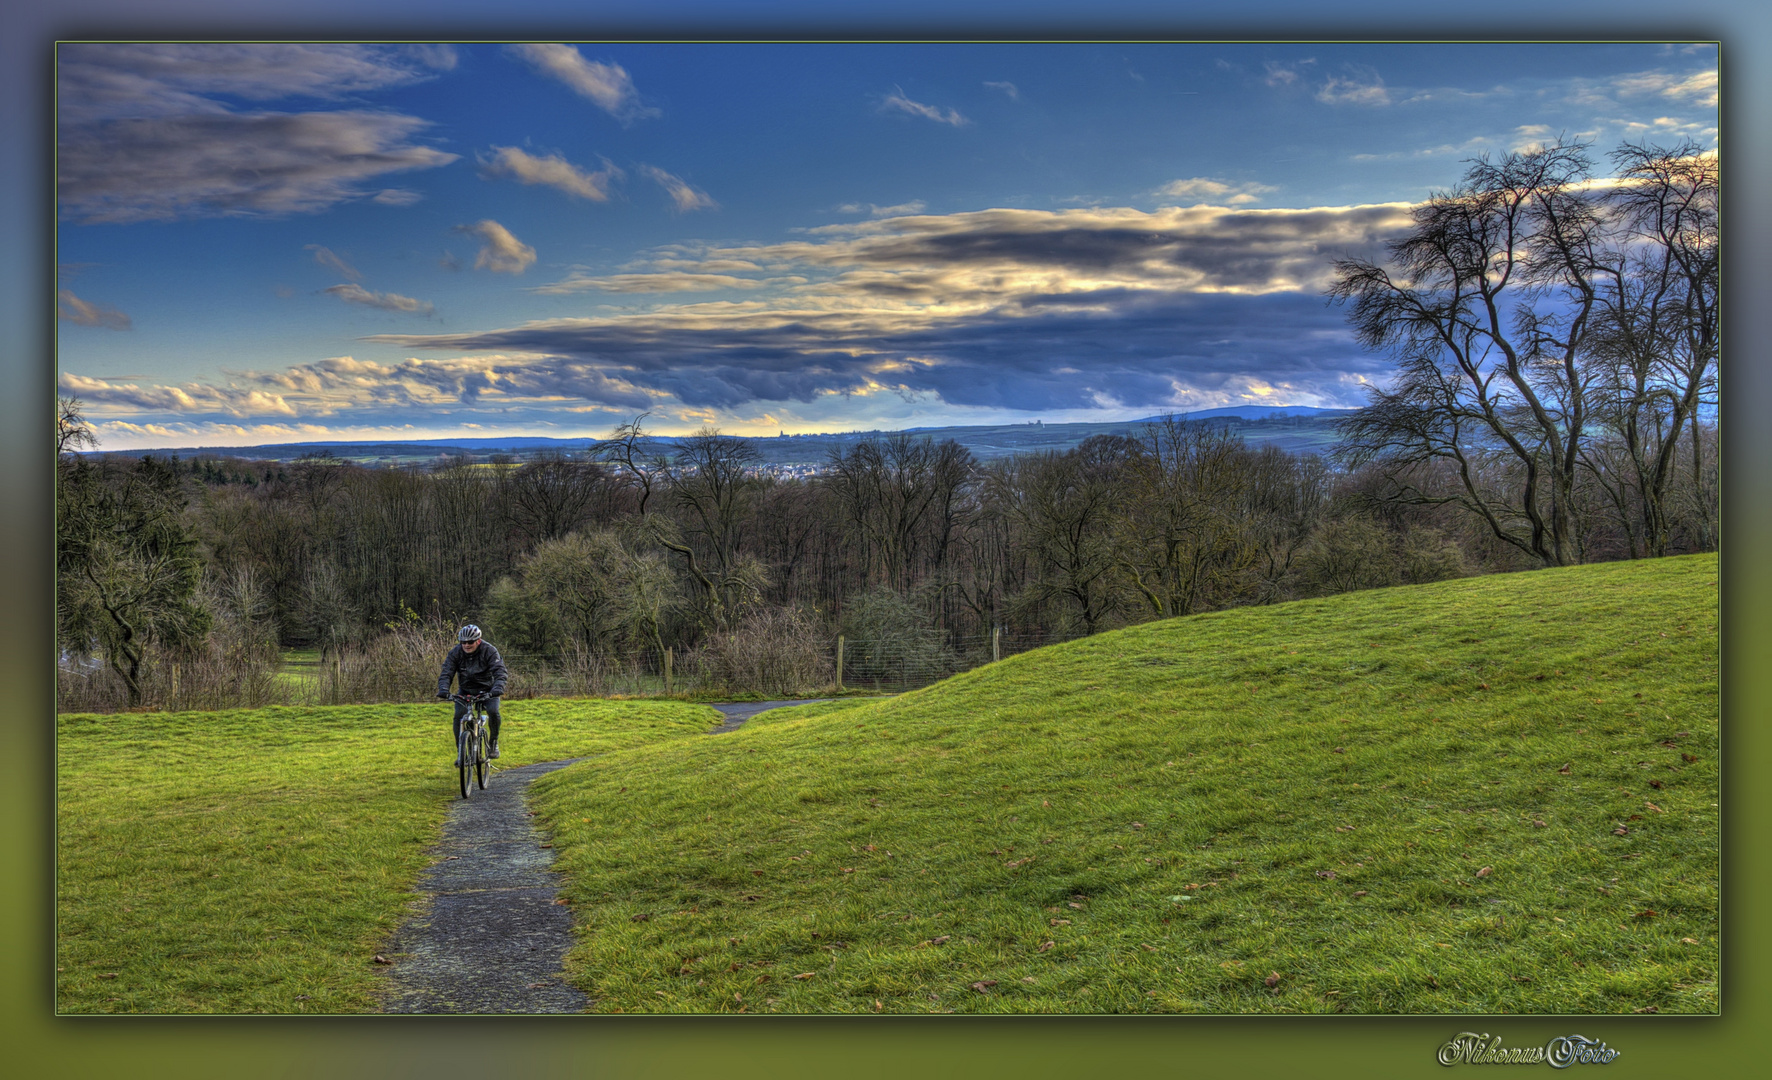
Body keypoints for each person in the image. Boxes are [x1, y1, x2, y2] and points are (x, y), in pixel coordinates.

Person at [437, 624, 508, 761]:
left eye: (470, 642)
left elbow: (500, 672)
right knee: (459, 715)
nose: (466, 645)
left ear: (478, 641)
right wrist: (443, 689)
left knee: (493, 711)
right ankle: (461, 753)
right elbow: (446, 672)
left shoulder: (489, 651)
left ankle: (493, 743)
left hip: (489, 689)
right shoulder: (455, 653)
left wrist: (498, 689)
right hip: (466, 690)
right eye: (463, 642)